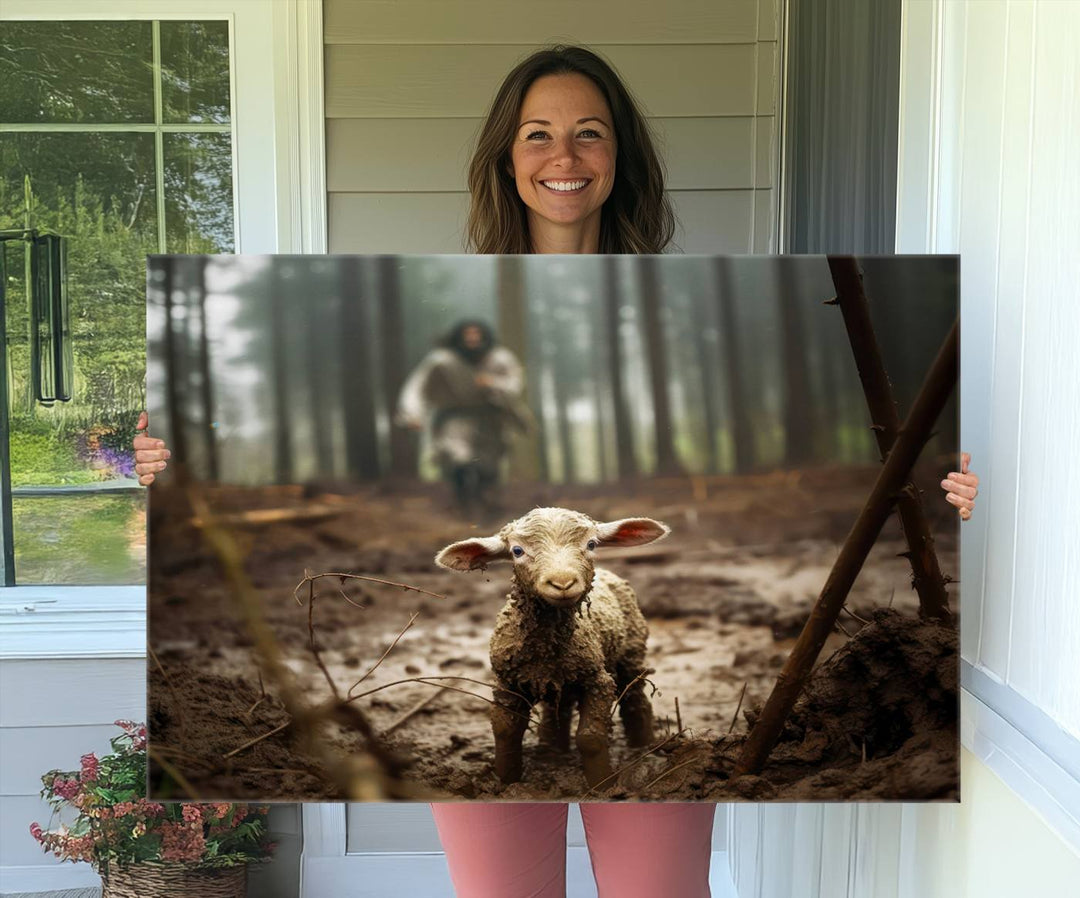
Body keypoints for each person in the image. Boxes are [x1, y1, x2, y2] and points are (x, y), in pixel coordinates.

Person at [134, 44, 980, 898]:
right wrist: (169, 468)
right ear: (506, 159)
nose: (563, 157)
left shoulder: (677, 303)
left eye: (590, 134)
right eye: (537, 135)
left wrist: (960, 490)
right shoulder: (450, 309)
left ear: (622, 158)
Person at [395, 319, 531, 515]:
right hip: (454, 419)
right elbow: (418, 387)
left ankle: (487, 504)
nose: (473, 339)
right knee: (459, 459)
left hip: (490, 419)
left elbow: (514, 385)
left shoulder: (500, 359)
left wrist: (493, 383)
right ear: (458, 337)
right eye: (468, 334)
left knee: (488, 465)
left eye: (477, 334)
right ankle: (463, 503)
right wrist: (412, 414)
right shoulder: (442, 361)